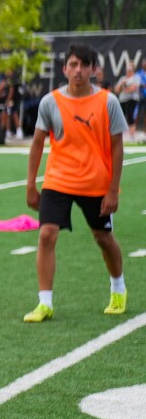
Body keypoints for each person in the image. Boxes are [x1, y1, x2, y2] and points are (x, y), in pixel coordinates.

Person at [24, 43, 128, 322]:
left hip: (96, 183)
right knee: (46, 234)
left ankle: (118, 288)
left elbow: (118, 147)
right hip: (58, 180)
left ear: (94, 69)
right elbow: (37, 144)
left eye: (84, 65)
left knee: (103, 238)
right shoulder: (50, 102)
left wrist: (113, 190)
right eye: (73, 64)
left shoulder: (108, 102)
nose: (78, 70)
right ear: (65, 68)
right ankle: (44, 303)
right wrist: (31, 185)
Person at [114, 68, 139, 143]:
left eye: (130, 71)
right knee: (120, 117)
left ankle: (132, 136)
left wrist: (125, 87)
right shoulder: (123, 79)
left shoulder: (135, 78)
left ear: (133, 71)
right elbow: (117, 89)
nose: (128, 72)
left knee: (130, 117)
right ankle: (119, 136)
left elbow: (133, 89)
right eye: (127, 70)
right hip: (122, 100)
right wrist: (122, 85)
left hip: (131, 100)